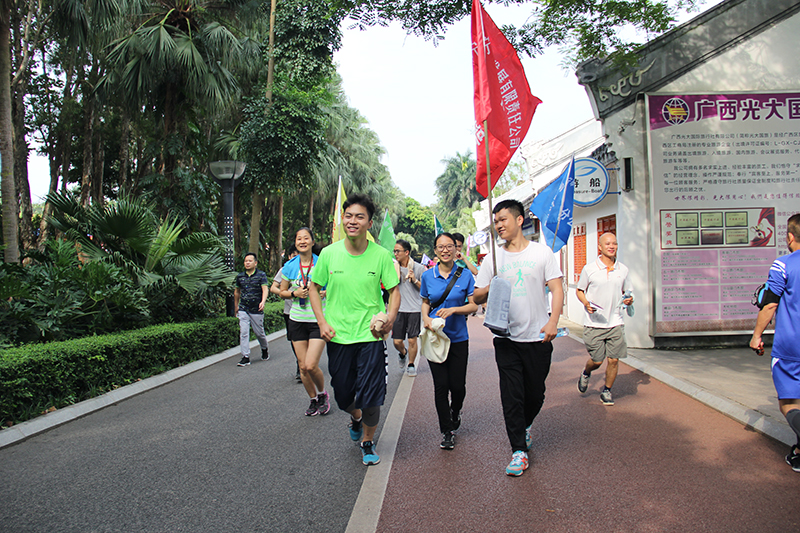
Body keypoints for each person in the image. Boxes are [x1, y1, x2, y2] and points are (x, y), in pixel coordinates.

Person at [473, 199, 564, 477]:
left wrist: (552, 322)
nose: (499, 226)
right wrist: (492, 285)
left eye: (503, 220)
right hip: (506, 337)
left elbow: (557, 290)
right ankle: (518, 451)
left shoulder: (542, 253)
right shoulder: (493, 259)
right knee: (512, 395)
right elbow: (475, 296)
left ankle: (524, 425)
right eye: (496, 221)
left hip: (538, 337)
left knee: (535, 394)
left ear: (519, 219)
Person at [309, 194, 400, 466]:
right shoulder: (328, 253)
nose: (352, 221)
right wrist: (322, 323)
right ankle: (355, 417)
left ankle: (368, 441)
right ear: (343, 220)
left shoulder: (381, 256)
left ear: (369, 223)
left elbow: (394, 290)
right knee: (344, 396)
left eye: (359, 216)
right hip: (338, 336)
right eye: (348, 216)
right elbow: (314, 288)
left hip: (370, 337)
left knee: (372, 396)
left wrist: (391, 318)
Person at [750, 213, 800, 473]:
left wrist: (757, 335)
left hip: (792, 345)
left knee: (790, 401)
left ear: (790, 237)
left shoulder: (783, 264)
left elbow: (770, 303)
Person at [420, 232, 478, 450]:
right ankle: (447, 430)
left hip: (459, 338)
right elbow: (426, 301)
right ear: (435, 251)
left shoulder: (465, 275)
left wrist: (454, 309)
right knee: (440, 386)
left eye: (449, 246)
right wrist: (425, 318)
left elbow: (473, 305)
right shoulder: (428, 276)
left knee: (458, 386)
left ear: (456, 249)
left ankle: (456, 412)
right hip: (436, 338)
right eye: (440, 247)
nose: (445, 250)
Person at [575, 232, 633, 406]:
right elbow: (580, 290)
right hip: (594, 323)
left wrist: (629, 299)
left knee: (614, 359)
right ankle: (586, 372)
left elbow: (627, 292)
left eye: (614, 243)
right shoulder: (590, 269)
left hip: (615, 321)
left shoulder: (623, 270)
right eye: (607, 244)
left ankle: (607, 391)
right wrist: (586, 303)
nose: (612, 246)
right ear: (600, 247)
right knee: (597, 360)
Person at [280, 228, 331, 416]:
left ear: (312, 241)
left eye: (306, 238)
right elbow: (281, 291)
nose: (302, 241)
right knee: (302, 366)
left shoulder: (322, 262)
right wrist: (294, 293)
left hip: (318, 319)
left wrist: (323, 292)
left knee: (310, 364)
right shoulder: (290, 266)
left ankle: (322, 393)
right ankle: (313, 400)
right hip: (297, 319)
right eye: (298, 238)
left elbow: (334, 286)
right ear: (295, 242)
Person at [392, 239, 426, 376]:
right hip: (398, 309)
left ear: (407, 252)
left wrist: (415, 280)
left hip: (414, 309)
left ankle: (411, 364)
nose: (395, 254)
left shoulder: (418, 268)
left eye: (397, 251)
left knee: (412, 339)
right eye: (394, 251)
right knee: (397, 341)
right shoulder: (393, 268)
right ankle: (403, 352)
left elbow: (425, 289)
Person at [271, 244, 302, 382]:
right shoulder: (286, 269)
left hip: (308, 312)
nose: (295, 258)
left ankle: (304, 365)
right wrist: (289, 293)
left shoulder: (311, 268)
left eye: (298, 255)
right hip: (290, 312)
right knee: (294, 340)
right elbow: (274, 288)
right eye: (293, 255)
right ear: (289, 257)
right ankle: (300, 364)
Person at [234, 252, 270, 366]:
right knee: (244, 332)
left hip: (256, 309)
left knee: (259, 333)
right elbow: (237, 292)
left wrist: (263, 301)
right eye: (245, 261)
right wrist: (236, 306)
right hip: (243, 308)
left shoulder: (261, 275)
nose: (247, 263)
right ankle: (245, 356)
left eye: (250, 261)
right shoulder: (240, 276)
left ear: (255, 263)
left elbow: (265, 289)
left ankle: (264, 349)